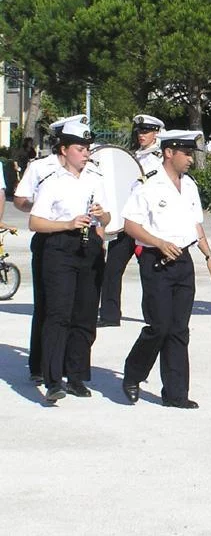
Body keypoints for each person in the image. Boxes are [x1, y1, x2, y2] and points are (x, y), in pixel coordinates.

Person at [120, 130, 211, 408]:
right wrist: (159, 243)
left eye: (191, 154)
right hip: (156, 261)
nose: (190, 159)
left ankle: (176, 394)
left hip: (183, 262)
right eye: (186, 153)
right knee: (159, 326)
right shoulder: (148, 184)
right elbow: (131, 225)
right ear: (169, 152)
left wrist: (208, 254)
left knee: (179, 329)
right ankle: (133, 374)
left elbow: (195, 225)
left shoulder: (189, 186)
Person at [28, 119, 110, 403]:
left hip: (89, 248)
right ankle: (53, 380)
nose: (86, 153)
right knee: (58, 315)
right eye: (80, 148)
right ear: (64, 150)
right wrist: (67, 224)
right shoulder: (52, 181)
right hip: (60, 248)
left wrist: (102, 214)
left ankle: (76, 376)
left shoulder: (95, 179)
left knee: (85, 316)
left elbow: (108, 219)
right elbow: (35, 222)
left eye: (87, 148)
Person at [13, 113, 86, 385]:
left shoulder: (84, 168)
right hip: (48, 239)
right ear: (62, 143)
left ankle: (62, 363)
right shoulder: (40, 167)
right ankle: (39, 365)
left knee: (69, 307)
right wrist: (43, 208)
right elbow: (21, 199)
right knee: (46, 304)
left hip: (75, 240)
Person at [98, 114, 165, 328]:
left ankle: (154, 316)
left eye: (146, 131)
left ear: (156, 133)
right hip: (126, 222)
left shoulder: (159, 159)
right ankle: (109, 315)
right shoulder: (133, 156)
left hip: (145, 223)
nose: (141, 135)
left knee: (150, 270)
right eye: (139, 131)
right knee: (112, 269)